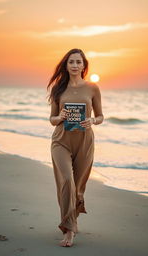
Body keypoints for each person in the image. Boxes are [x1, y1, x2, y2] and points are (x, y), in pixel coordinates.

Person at [47, 48, 104, 247]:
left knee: (78, 188)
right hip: (61, 141)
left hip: (85, 142)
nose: (74, 65)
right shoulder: (58, 89)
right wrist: (60, 117)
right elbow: (52, 119)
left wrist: (93, 121)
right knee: (67, 182)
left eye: (78, 62)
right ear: (66, 65)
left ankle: (74, 217)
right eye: (71, 62)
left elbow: (101, 116)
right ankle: (69, 229)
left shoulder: (93, 88)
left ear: (83, 65)